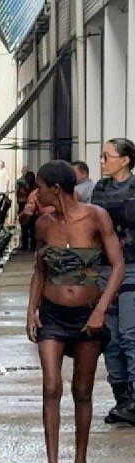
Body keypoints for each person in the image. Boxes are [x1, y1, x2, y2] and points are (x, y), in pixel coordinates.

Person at [26, 160, 123, 463]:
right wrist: (32, 310)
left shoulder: (96, 217)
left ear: (55, 189)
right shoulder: (44, 224)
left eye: (40, 187)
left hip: (87, 315)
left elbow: (118, 265)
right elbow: (40, 269)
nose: (36, 193)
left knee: (82, 390)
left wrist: (101, 310)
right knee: (51, 386)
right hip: (52, 314)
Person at [87, 138, 135, 424]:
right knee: (110, 338)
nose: (102, 162)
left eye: (107, 156)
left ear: (125, 160)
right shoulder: (100, 189)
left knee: (130, 334)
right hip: (104, 269)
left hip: (132, 268)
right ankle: (122, 398)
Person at [16, 169, 37, 251]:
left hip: (31, 208)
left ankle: (31, 245)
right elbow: (19, 196)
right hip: (24, 206)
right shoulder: (22, 186)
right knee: (25, 228)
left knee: (31, 228)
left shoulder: (34, 187)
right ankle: (26, 245)